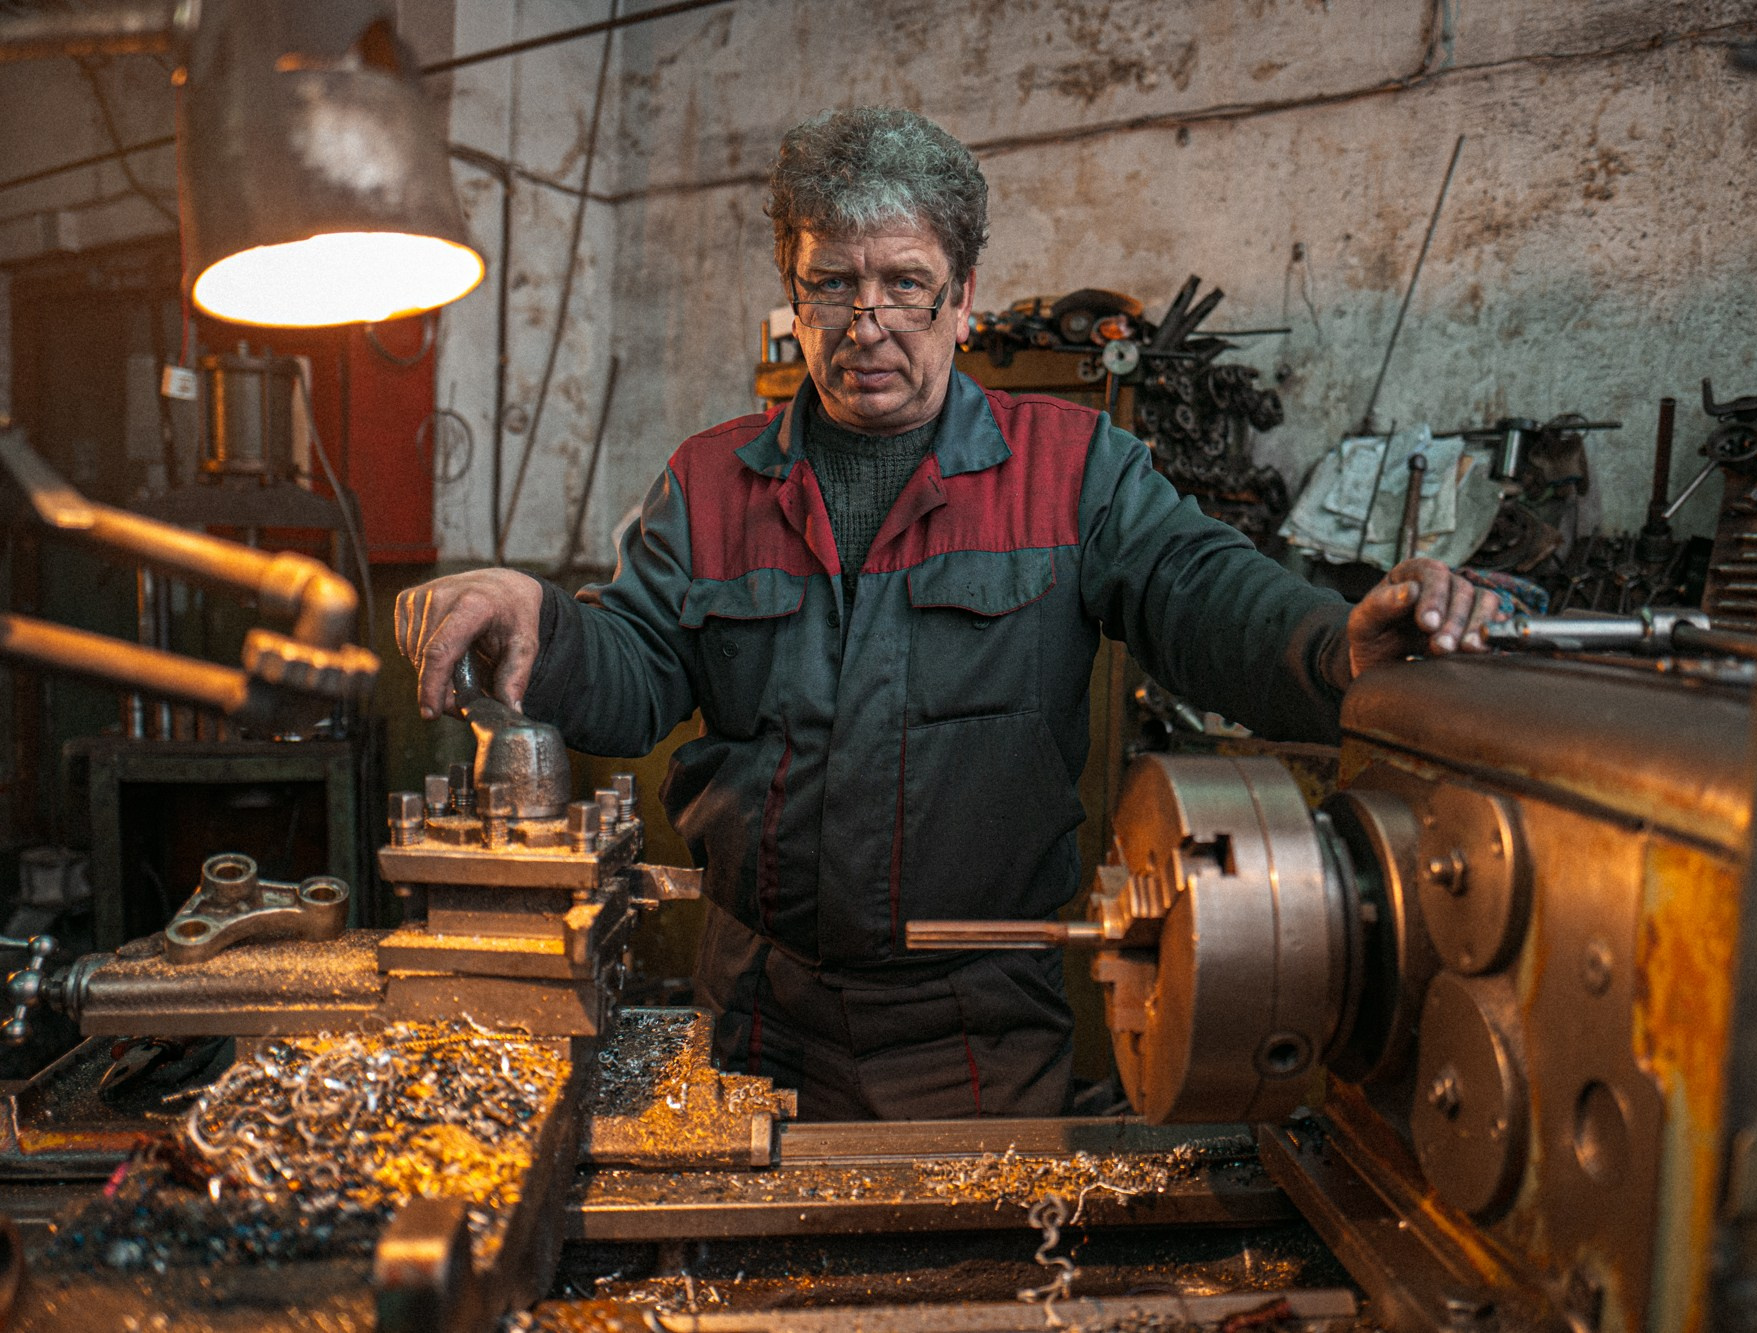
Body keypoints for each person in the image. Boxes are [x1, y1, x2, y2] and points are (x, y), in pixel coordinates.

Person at [396, 107, 1503, 1120]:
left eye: (904, 283)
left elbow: (1197, 586)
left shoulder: (1073, 472)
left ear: (962, 297)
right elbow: (634, 676)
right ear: (794, 291)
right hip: (753, 1011)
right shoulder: (706, 486)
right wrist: (537, 615)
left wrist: (1328, 641)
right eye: (832, 283)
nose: (866, 323)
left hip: (974, 1025)